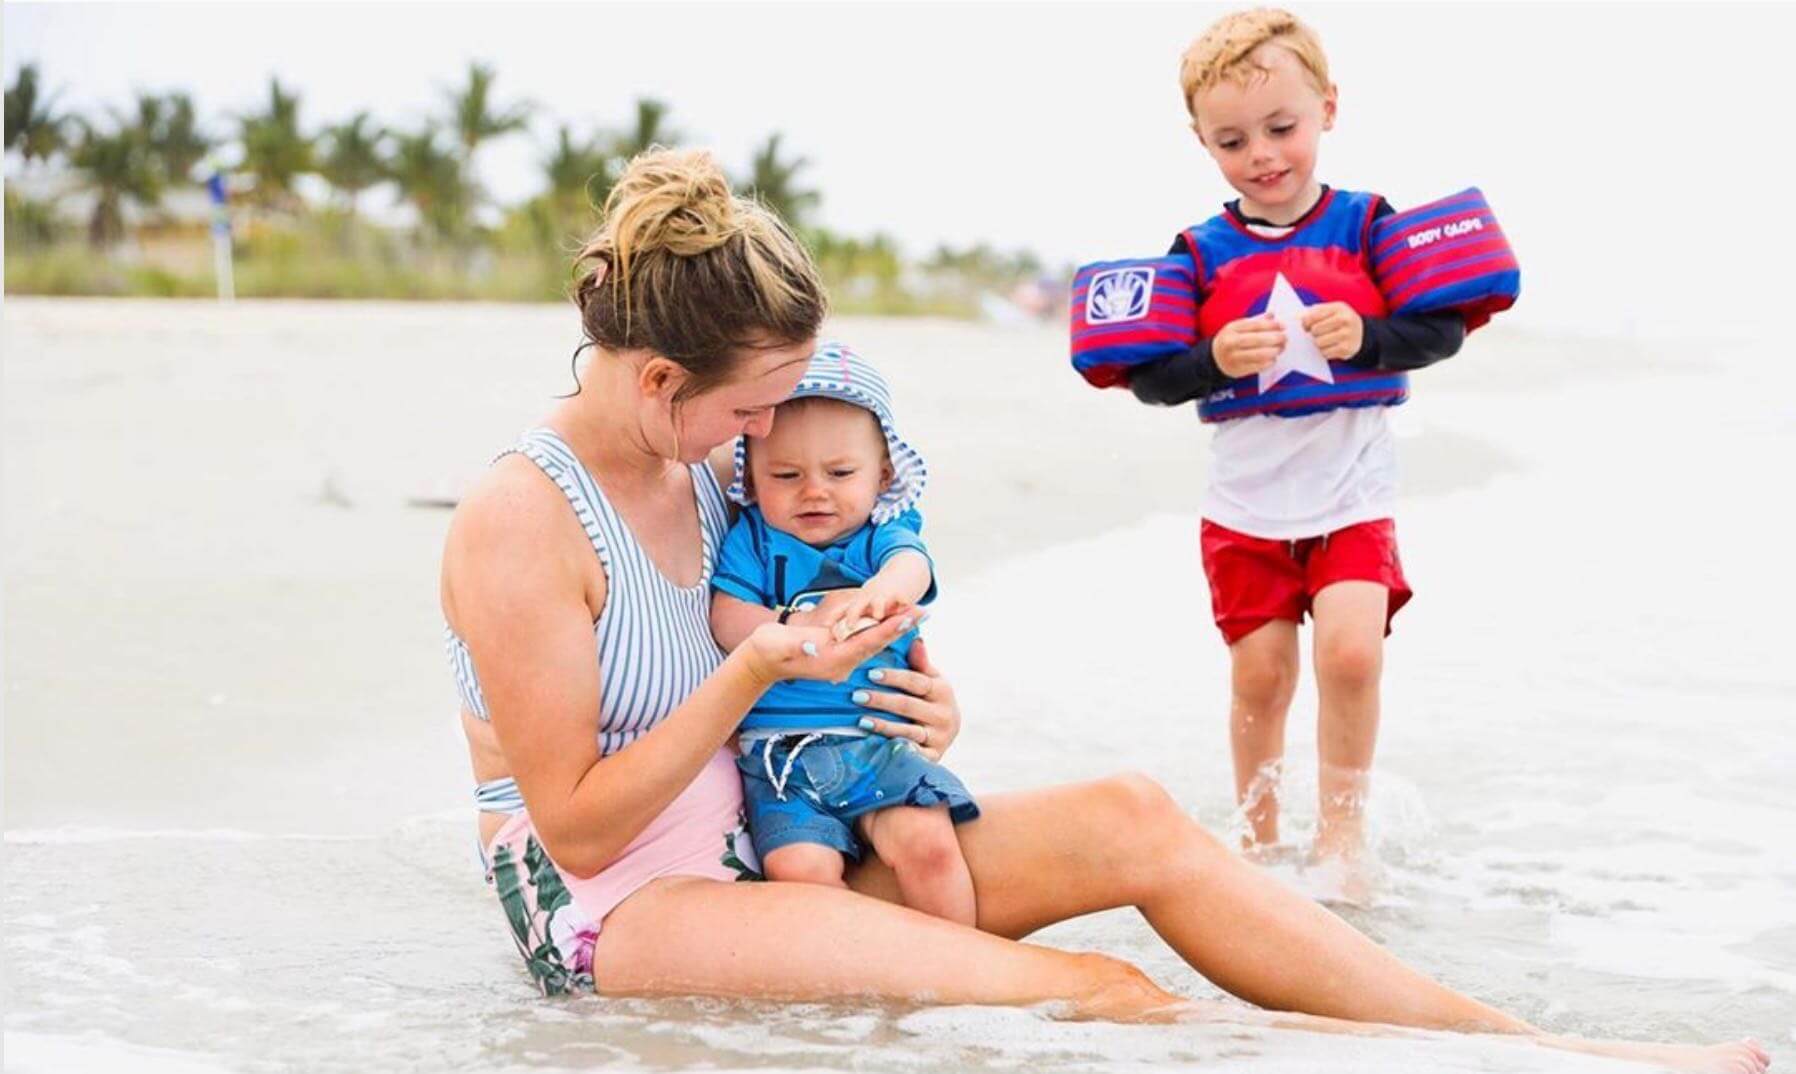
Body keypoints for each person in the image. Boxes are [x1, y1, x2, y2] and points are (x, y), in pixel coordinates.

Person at [438, 146, 1767, 1074]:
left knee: (1135, 810)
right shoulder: (526, 516)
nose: (763, 436)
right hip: (620, 898)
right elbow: (578, 815)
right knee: (1102, 996)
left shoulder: (708, 454)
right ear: (660, 377)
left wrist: (910, 694)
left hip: (784, 806)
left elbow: (817, 625)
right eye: (746, 408)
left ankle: (1520, 1045)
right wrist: (753, 672)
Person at [1126, 8, 1466, 867]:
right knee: (1262, 676)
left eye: (1283, 128)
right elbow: (1152, 377)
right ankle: (1259, 838)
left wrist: (1373, 338)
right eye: (1235, 140)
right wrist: (1211, 357)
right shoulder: (1196, 253)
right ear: (1203, 144)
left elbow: (1442, 330)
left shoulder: (1369, 224)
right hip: (1245, 509)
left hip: (1352, 492)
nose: (1265, 155)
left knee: (1351, 655)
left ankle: (1341, 836)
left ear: (1328, 109)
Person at [710, 342, 979, 925]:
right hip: (778, 757)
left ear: (883, 474)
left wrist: (879, 592)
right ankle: (846, 987)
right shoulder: (755, 540)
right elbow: (726, 616)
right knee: (799, 871)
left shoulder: (883, 533)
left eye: (840, 473)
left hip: (877, 742)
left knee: (929, 845)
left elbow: (913, 567)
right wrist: (791, 624)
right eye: (785, 474)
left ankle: (961, 968)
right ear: (751, 480)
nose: (814, 491)